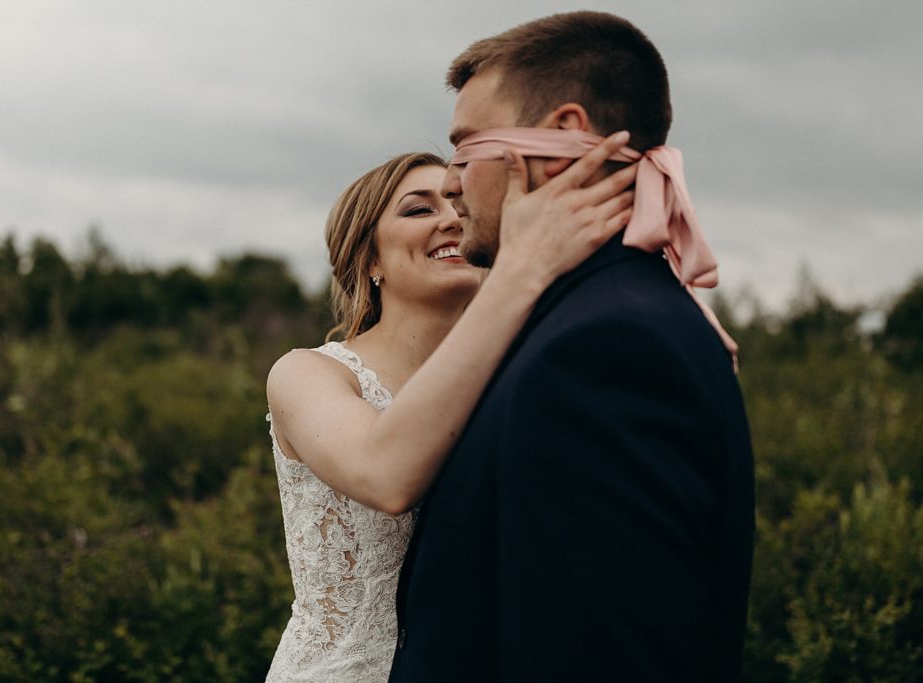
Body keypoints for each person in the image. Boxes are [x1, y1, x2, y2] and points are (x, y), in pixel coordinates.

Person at [389, 11, 755, 682]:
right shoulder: (591, 316)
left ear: (562, 135)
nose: (449, 182)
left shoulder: (603, 348)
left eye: (466, 149)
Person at [265, 141, 637, 680]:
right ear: (368, 259)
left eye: (459, 206)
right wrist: (522, 273)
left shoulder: (517, 379)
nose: (451, 220)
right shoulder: (309, 375)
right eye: (419, 209)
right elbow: (385, 475)